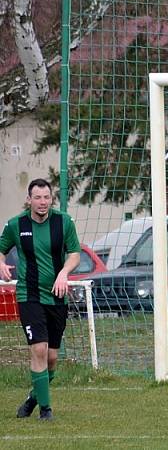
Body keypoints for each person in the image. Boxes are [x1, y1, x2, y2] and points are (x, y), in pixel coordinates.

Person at [0, 178, 81, 421]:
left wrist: (64, 273)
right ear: (29, 199)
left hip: (57, 297)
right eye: (38, 197)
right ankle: (46, 411)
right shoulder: (16, 225)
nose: (43, 202)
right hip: (29, 295)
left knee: (52, 357)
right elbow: (1, 249)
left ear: (51, 199)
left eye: (46, 197)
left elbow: (75, 254)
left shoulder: (64, 222)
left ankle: (33, 398)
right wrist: (2, 264)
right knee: (39, 349)